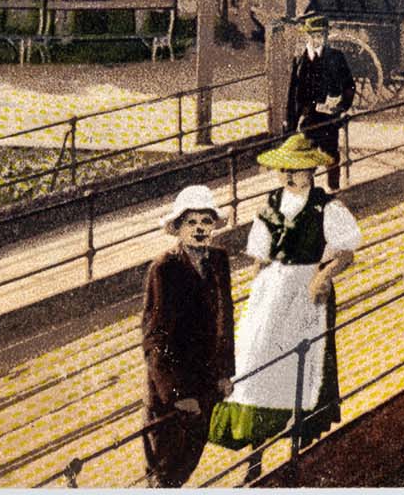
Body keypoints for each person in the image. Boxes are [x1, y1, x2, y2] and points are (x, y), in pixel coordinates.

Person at [208, 135, 361, 459]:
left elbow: (346, 254)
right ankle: (255, 427)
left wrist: (323, 275)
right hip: (273, 285)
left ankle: (300, 428)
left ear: (311, 170)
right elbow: (260, 255)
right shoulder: (271, 204)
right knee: (257, 350)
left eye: (297, 169)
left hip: (308, 286)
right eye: (284, 170)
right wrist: (256, 294)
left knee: (305, 355)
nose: (289, 176)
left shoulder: (326, 207)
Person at [142, 185, 233, 488]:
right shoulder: (164, 268)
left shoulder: (218, 260)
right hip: (173, 390)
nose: (198, 229)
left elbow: (225, 318)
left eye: (205, 222)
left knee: (191, 456)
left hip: (206, 382)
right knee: (166, 468)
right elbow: (155, 339)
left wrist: (223, 373)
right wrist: (179, 395)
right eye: (190, 223)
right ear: (178, 228)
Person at [284, 13, 356, 191]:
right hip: (306, 118)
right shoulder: (300, 60)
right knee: (306, 159)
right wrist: (290, 121)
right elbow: (293, 93)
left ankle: (334, 189)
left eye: (321, 35)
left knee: (331, 155)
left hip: (327, 117)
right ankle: (309, 193)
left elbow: (349, 85)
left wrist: (341, 106)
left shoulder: (335, 57)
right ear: (307, 36)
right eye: (314, 36)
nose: (318, 40)